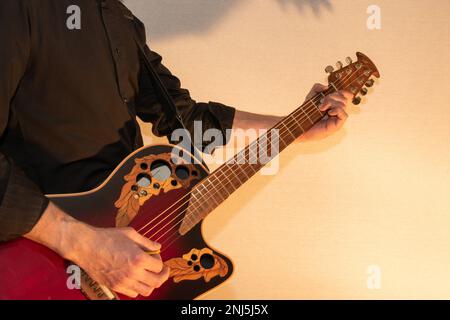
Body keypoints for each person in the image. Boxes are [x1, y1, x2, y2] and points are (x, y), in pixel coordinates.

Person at [0, 0, 351, 298]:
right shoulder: (19, 9)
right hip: (34, 263)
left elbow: (184, 119)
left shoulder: (119, 19)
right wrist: (85, 246)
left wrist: (296, 126)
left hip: (121, 265)